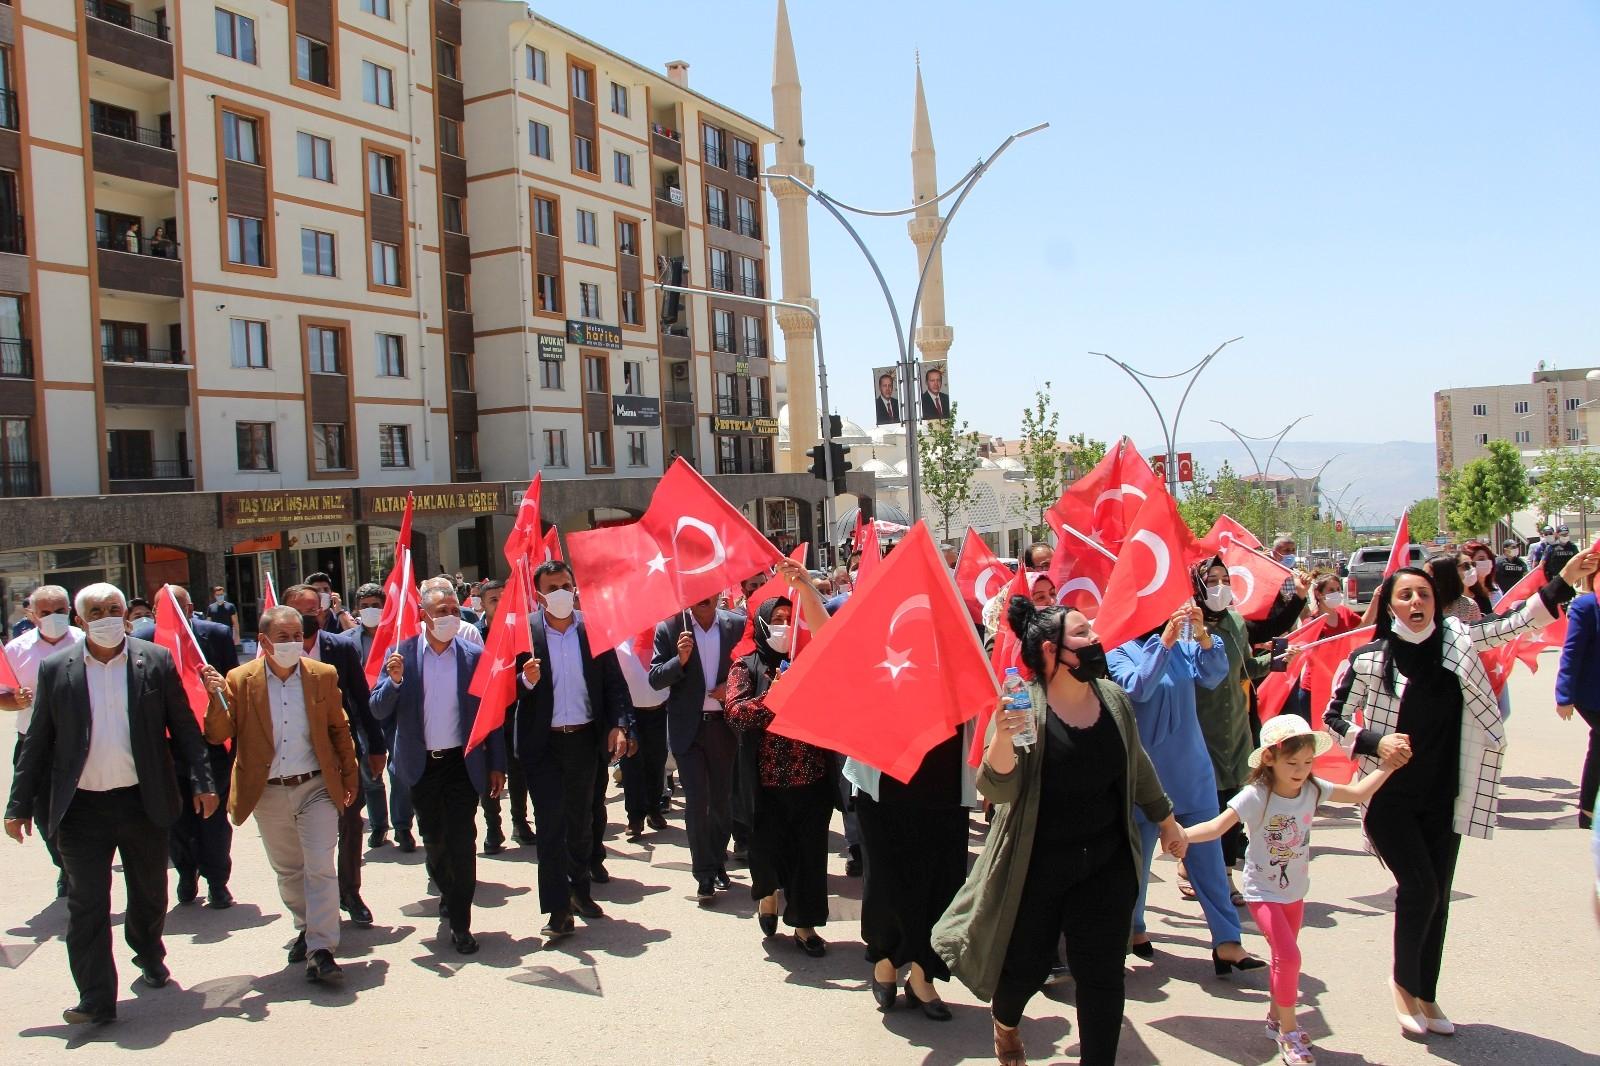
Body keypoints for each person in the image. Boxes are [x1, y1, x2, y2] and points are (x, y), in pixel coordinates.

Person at [1324, 548, 1594, 1036]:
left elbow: (1514, 623)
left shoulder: (1458, 640)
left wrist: (1564, 582)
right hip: (1389, 801)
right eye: (1404, 594)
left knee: (1439, 897)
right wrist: (1373, 741)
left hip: (1445, 796)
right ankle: (1403, 985)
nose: (1415, 601)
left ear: (1435, 600)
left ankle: (1427, 993)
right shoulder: (1368, 660)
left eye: (1423, 593)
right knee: (1420, 888)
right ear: (1389, 606)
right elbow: (1332, 717)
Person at [933, 599, 1186, 1066]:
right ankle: (1006, 1023)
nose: (1095, 641)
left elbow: (1136, 762)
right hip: (1038, 868)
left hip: (1107, 866)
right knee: (1024, 971)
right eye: (1083, 634)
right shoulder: (1022, 706)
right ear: (1052, 651)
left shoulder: (1112, 698)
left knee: (1103, 978)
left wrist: (1165, 819)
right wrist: (1004, 737)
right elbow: (997, 786)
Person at [3, 583, 219, 1025]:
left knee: (149, 894)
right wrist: (18, 804)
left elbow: (183, 728)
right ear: (81, 620)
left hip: (142, 802)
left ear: (126, 615)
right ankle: (96, 998)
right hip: (81, 809)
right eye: (95, 610)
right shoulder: (57, 669)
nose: (104, 615)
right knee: (87, 905)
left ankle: (148, 951)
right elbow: (37, 740)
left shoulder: (153, 660)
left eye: (113, 608)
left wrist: (202, 781)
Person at [1183, 715, 1398, 1065]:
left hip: (1295, 889)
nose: (1301, 770)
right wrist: (1181, 834)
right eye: (1292, 762)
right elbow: (1216, 826)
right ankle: (1289, 1032)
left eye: (1308, 762)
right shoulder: (1256, 795)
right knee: (1290, 957)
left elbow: (1359, 792)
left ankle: (1274, 1017)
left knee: (1286, 959)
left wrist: (1387, 766)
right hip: (1261, 891)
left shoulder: (1313, 789)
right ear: (1270, 759)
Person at [203, 605, 360, 982]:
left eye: (297, 636)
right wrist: (215, 697)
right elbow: (217, 734)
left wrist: (350, 776)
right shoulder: (240, 679)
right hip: (269, 790)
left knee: (320, 864)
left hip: (316, 786)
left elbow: (340, 727)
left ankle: (323, 948)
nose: (292, 643)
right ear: (264, 642)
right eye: (283, 637)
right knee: (290, 870)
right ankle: (307, 927)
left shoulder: (322, 675)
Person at [1107, 603, 1265, 971]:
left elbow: (1213, 675)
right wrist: (1163, 643)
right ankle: (1134, 928)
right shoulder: (1118, 650)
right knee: (1138, 863)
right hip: (1146, 779)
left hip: (1192, 770)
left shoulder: (1183, 643)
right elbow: (1138, 687)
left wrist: (1205, 638)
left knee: (1208, 860)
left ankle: (1227, 941)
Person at [371, 583, 505, 954]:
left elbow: (489, 715)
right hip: (421, 766)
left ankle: (461, 921)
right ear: (423, 616)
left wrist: (496, 763)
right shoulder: (403, 656)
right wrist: (394, 683)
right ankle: (447, 891)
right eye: (440, 611)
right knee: (435, 842)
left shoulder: (473, 656)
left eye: (453, 610)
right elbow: (378, 709)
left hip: (462, 764)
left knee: (463, 842)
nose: (448, 616)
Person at [514, 561, 631, 939]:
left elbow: (614, 684)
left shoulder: (593, 628)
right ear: (538, 593)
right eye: (553, 587)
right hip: (543, 744)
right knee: (551, 826)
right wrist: (525, 682)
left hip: (583, 739)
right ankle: (558, 909)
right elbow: (501, 691)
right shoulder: (524, 633)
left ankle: (580, 891)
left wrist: (619, 725)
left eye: (567, 584)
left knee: (581, 821)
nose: (562, 592)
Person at [725, 562, 833, 956]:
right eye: (777, 619)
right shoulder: (746, 666)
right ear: (762, 624)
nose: (785, 625)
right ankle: (767, 893)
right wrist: (775, 695)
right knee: (768, 852)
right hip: (766, 781)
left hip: (811, 775)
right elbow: (736, 714)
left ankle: (805, 924)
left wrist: (804, 587)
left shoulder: (810, 658)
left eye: (790, 618)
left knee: (809, 854)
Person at [1192, 557, 1308, 902]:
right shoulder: (1188, 625)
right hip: (1200, 730)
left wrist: (1275, 663)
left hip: (1236, 731)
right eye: (1211, 580)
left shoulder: (1236, 623)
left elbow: (1244, 669)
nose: (1220, 586)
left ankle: (1225, 875)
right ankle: (1203, 872)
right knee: (1207, 806)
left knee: (1234, 805)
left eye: (1225, 579)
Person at [281, 582, 385, 926]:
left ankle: (350, 892)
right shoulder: (275, 652)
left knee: (350, 824)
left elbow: (360, 695)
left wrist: (375, 745)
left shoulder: (339, 647)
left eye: (315, 609)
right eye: (301, 611)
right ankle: (309, 914)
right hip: (295, 756)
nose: (310, 616)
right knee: (303, 840)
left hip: (341, 752)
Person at [650, 591, 747, 903]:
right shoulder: (670, 628)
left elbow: (750, 668)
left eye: (709, 590)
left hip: (723, 727)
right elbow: (655, 678)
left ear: (719, 592)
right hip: (687, 730)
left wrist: (731, 688)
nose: (702, 596)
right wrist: (680, 660)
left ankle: (718, 861)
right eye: (696, 590)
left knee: (721, 802)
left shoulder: (736, 625)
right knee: (697, 801)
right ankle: (703, 873)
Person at [154, 586, 241, 909]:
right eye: (165, 608)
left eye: (180, 607)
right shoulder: (147, 640)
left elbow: (234, 682)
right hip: (167, 744)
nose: (175, 613)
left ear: (191, 609)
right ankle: (186, 872)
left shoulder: (215, 635)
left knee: (213, 816)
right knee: (177, 817)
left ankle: (217, 881)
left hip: (211, 740)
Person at [0, 584, 82, 895]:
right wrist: (15, 702)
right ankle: (64, 865)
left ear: (71, 612)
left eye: (60, 611)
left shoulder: (86, 643)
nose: (53, 618)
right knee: (45, 814)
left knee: (80, 810)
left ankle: (81, 869)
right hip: (35, 744)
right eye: (45, 613)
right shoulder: (17, 650)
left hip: (79, 742)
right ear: (32, 615)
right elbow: (3, 697)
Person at [352, 582, 408, 850]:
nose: (371, 610)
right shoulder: (348, 640)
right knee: (370, 774)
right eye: (365, 607)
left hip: (393, 711)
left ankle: (403, 826)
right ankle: (378, 826)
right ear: (357, 610)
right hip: (364, 716)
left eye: (376, 606)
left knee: (399, 772)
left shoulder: (397, 637)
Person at [617, 621, 671, 841]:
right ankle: (635, 817)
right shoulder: (620, 638)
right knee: (632, 765)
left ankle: (654, 809)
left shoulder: (663, 632)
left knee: (657, 761)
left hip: (659, 711)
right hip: (631, 713)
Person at [1556, 568, 1600, 830]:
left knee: (1598, 748)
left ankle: (1588, 811)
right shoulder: (1585, 606)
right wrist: (1564, 696)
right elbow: (1571, 651)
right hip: (1591, 694)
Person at [1426, 552, 1480, 624]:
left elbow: (1477, 632)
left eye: (1428, 576)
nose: (1423, 581)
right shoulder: (1420, 604)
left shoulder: (1468, 605)